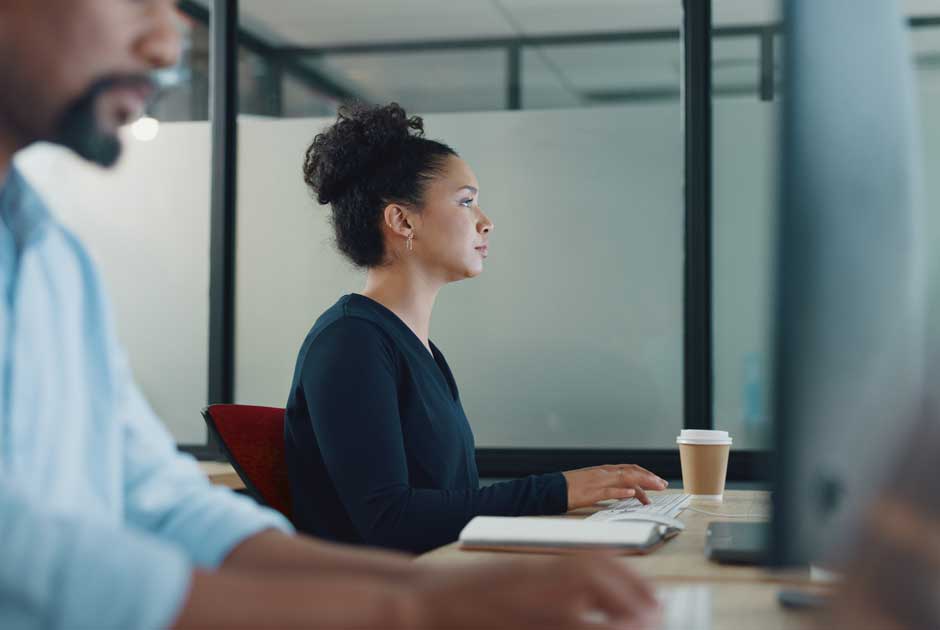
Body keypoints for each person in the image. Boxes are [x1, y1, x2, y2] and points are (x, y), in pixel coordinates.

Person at [0, 1, 660, 628]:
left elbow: (161, 500)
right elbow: (24, 558)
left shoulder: (54, 257)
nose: (168, 44)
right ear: (400, 220)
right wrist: (411, 610)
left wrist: (438, 590)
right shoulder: (351, 341)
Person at [286, 102, 668, 554]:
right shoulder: (350, 342)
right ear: (402, 220)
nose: (486, 221)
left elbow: (450, 504)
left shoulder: (418, 349)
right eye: (466, 201)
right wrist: (558, 491)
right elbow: (390, 521)